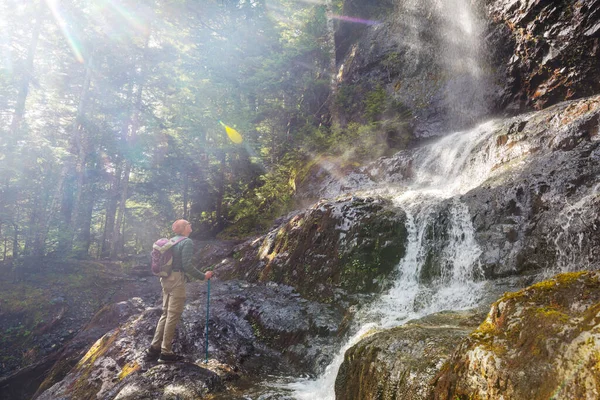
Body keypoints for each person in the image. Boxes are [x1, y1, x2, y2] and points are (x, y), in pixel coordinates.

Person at [145, 219, 213, 363]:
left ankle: (154, 348)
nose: (191, 225)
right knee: (173, 315)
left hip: (165, 278)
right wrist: (204, 276)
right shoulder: (186, 242)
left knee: (165, 313)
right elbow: (186, 265)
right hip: (176, 279)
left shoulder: (172, 240)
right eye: (189, 224)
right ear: (183, 228)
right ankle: (166, 352)